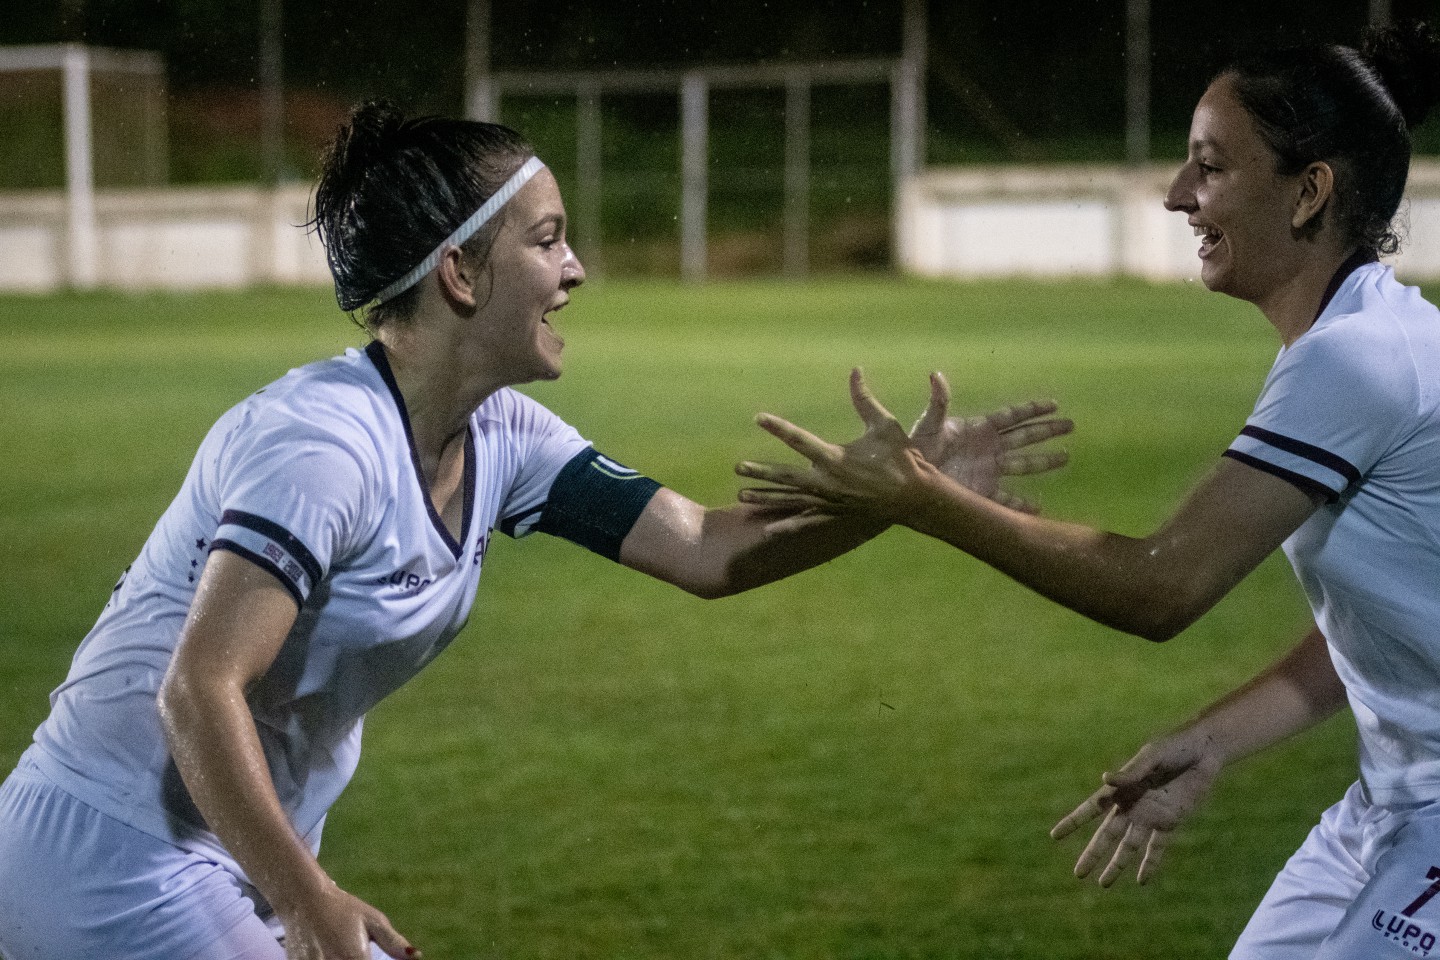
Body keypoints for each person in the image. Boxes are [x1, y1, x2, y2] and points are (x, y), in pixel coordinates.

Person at [0, 101, 1071, 960]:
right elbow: (199, 687)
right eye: (548, 239)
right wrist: (311, 898)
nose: (576, 271)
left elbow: (703, 549)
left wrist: (905, 496)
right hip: (110, 852)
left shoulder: (501, 433)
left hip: (229, 849)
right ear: (459, 273)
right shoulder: (320, 444)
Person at [736, 21, 1440, 959]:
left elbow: (1157, 588)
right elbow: (1395, 624)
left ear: (1310, 191)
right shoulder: (1371, 335)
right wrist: (1218, 736)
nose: (1177, 195)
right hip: (1390, 808)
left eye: (1211, 168)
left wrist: (922, 498)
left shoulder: (1355, 361)